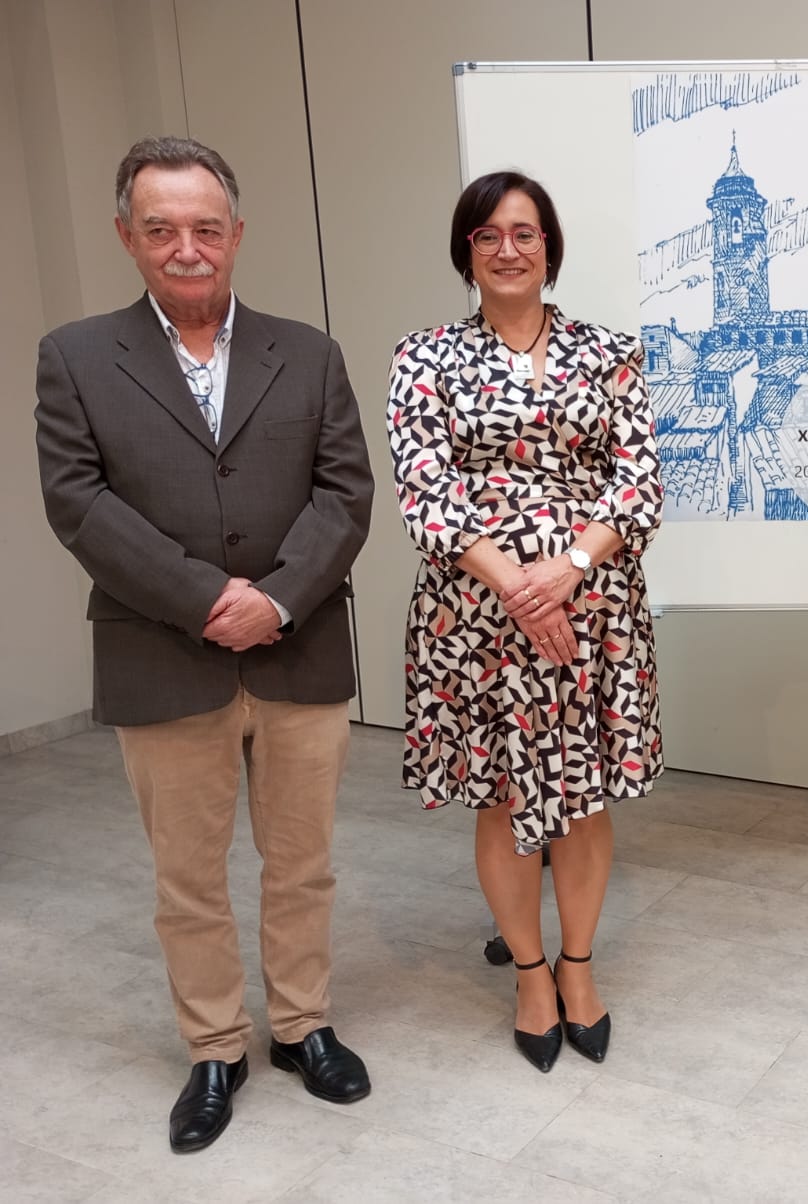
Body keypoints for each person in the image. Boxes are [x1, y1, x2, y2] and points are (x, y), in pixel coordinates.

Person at [34, 136, 375, 1153]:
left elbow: (346, 491)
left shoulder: (306, 351)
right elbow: (77, 502)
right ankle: (215, 1045)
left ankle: (304, 1025)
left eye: (206, 228)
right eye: (162, 229)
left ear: (235, 234)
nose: (187, 248)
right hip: (162, 655)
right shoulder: (76, 356)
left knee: (301, 861)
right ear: (126, 237)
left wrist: (274, 599)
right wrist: (203, 598)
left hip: (297, 648)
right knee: (188, 874)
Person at [387, 171, 662, 1073]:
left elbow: (639, 483)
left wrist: (569, 569)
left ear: (550, 246)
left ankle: (580, 968)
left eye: (525, 233)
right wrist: (517, 587)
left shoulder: (611, 353)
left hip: (595, 611)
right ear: (466, 251)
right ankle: (531, 975)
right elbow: (425, 488)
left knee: (580, 796)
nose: (508, 249)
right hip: (477, 618)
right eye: (487, 236)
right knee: (507, 797)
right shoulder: (422, 357)